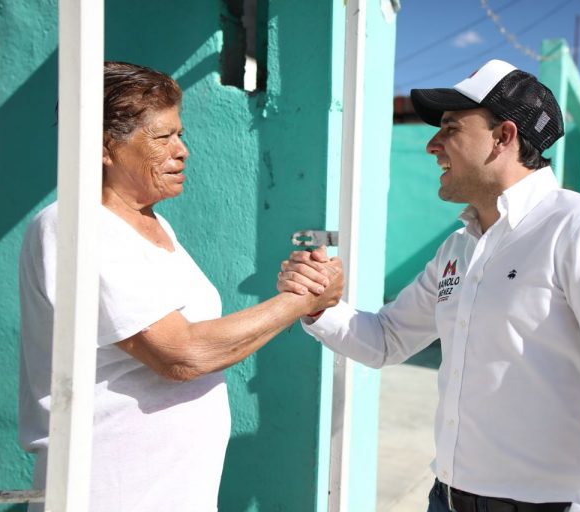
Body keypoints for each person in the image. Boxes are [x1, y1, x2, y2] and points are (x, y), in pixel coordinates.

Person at [278, 60, 580, 511]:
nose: (432, 145)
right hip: (446, 499)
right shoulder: (460, 247)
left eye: (450, 128)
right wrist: (321, 307)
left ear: (504, 137)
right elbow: (387, 339)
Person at [18, 61, 343, 512]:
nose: (183, 150)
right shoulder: (75, 225)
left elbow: (202, 347)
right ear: (103, 147)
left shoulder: (155, 225)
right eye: (163, 137)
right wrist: (301, 300)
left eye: (180, 134)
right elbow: (181, 354)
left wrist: (304, 297)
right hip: (111, 496)